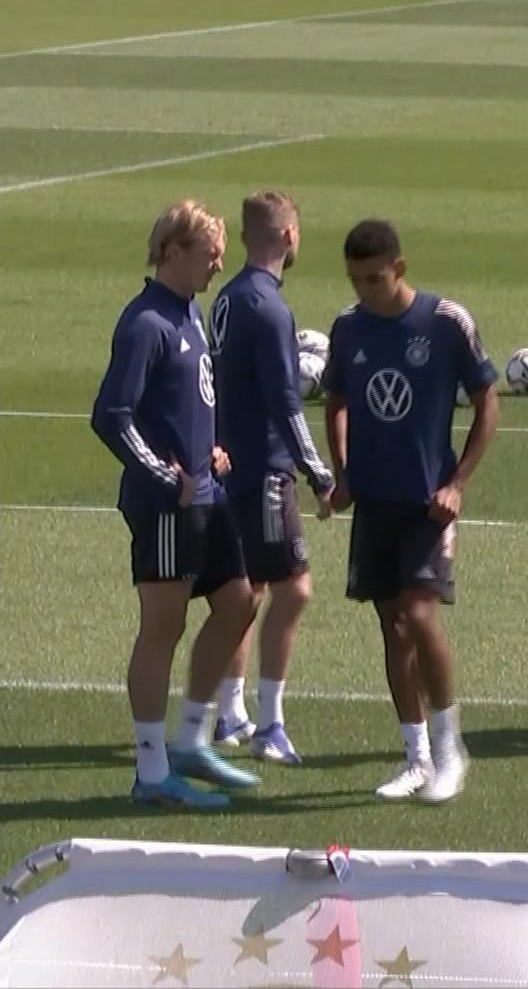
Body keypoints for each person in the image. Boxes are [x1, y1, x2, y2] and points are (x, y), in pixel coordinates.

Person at [92, 199, 262, 808]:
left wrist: (208, 448)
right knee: (163, 627)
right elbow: (111, 415)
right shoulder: (146, 323)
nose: (218, 264)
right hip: (166, 506)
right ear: (172, 252)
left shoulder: (189, 313)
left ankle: (190, 739)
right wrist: (166, 477)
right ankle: (151, 770)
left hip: (207, 495)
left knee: (239, 602)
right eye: (209, 254)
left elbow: (182, 400)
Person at [322, 219, 499, 805]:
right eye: (355, 280)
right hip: (375, 502)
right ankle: (416, 757)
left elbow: (488, 401)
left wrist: (458, 483)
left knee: (420, 617)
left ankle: (450, 753)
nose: (364, 290)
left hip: (428, 504)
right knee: (392, 628)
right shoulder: (348, 328)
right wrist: (343, 474)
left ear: (399, 268)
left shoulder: (446, 322)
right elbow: (337, 400)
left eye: (374, 279)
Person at [206, 190, 336, 765]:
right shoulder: (269, 307)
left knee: (248, 590)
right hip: (263, 471)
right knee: (293, 589)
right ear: (288, 235)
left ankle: (230, 713)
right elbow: (287, 404)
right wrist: (320, 474)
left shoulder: (228, 298)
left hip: (230, 467)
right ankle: (270, 724)